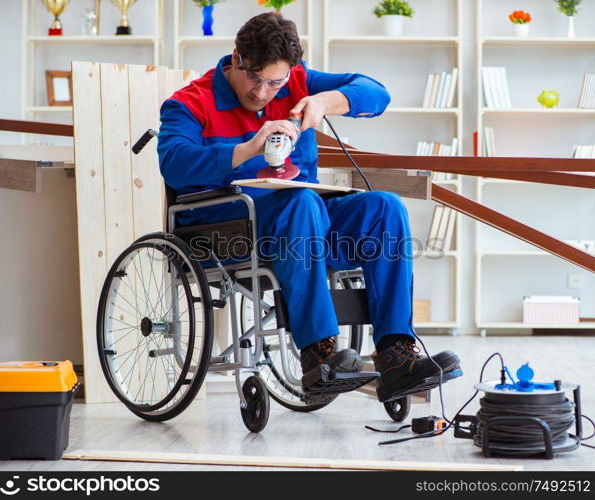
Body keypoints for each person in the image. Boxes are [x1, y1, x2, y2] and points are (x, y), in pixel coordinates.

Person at [157, 12, 461, 402]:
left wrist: (324, 101)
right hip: (228, 230)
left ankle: (395, 354)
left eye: (275, 82)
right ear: (235, 58)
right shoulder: (189, 102)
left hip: (303, 226)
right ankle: (320, 355)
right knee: (301, 201)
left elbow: (376, 93)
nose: (263, 92)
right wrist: (249, 146)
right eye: (254, 77)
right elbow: (175, 163)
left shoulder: (297, 82)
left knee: (385, 208)